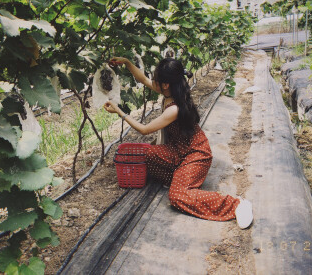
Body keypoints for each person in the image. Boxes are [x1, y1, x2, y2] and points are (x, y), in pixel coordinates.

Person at [104, 57, 253, 229]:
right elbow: (143, 79)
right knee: (146, 153)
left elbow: (144, 130)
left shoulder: (174, 109)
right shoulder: (170, 92)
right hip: (177, 150)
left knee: (176, 196)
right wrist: (127, 62)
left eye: (156, 79)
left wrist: (118, 111)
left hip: (196, 155)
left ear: (165, 84)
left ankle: (236, 204)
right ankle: (180, 176)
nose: (152, 81)